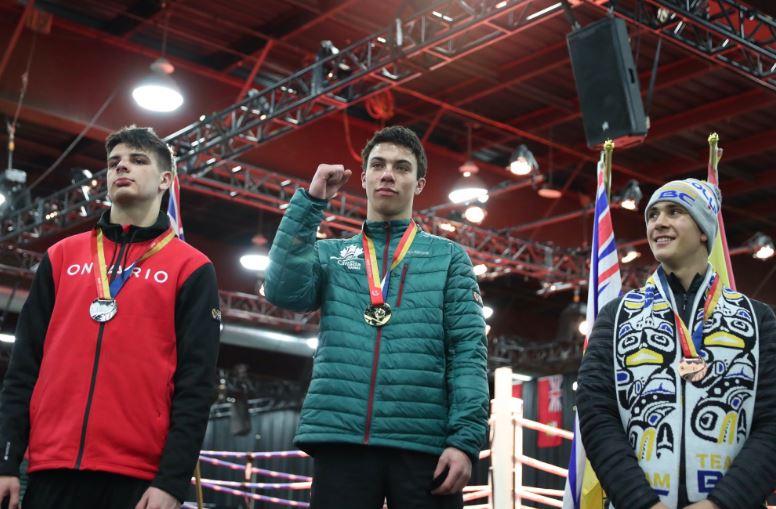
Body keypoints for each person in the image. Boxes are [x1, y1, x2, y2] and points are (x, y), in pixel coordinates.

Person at [263, 125, 489, 508]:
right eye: (379, 165)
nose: (388, 174)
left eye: (402, 167)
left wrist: (464, 441)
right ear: (364, 177)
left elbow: (469, 353)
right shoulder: (331, 255)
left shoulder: (449, 258)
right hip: (341, 439)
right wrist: (311, 202)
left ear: (419, 184)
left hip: (424, 444)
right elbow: (282, 290)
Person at [0, 126, 221, 509]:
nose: (121, 167)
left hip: (138, 480)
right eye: (114, 162)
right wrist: (5, 461)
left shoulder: (192, 268)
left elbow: (197, 385)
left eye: (138, 160)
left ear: (165, 180)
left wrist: (172, 482)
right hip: (51, 467)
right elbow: (23, 370)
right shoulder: (61, 257)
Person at [577, 178, 776, 509]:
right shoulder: (616, 317)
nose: (659, 222)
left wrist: (721, 504)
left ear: (703, 231)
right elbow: (596, 415)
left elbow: (772, 423)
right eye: (653, 214)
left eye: (674, 212)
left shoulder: (758, 320)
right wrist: (641, 503)